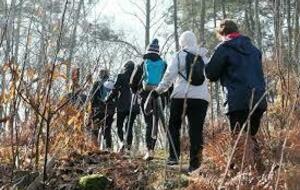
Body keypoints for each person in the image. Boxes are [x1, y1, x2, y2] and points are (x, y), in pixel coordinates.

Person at [205, 19, 267, 171]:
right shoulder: (254, 49)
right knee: (250, 138)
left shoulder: (224, 47)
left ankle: (240, 174)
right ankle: (258, 173)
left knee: (239, 140)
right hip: (259, 99)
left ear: (222, 33)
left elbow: (211, 73)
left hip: (237, 100)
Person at [152, 31, 209, 172]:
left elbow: (169, 76)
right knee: (196, 130)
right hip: (201, 99)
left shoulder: (179, 56)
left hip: (180, 96)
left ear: (182, 42)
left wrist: (158, 91)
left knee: (173, 126)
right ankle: (195, 164)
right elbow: (211, 75)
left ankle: (173, 158)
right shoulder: (204, 58)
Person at [130, 39, 167, 160]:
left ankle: (149, 150)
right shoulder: (164, 63)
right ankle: (154, 148)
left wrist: (136, 91)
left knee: (148, 122)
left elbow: (133, 82)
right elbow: (168, 81)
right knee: (155, 123)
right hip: (159, 94)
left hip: (146, 95)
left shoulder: (142, 63)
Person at [106, 61, 140, 153]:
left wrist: (108, 99)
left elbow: (115, 90)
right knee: (129, 127)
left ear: (125, 67)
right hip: (134, 105)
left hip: (122, 105)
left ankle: (122, 142)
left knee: (119, 126)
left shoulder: (121, 76)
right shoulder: (137, 77)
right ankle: (128, 148)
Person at [89, 69, 115, 150]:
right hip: (110, 110)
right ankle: (108, 148)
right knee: (107, 130)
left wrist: (91, 110)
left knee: (95, 130)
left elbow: (92, 97)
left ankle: (94, 148)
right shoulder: (112, 83)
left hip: (98, 110)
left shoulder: (97, 83)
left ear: (100, 74)